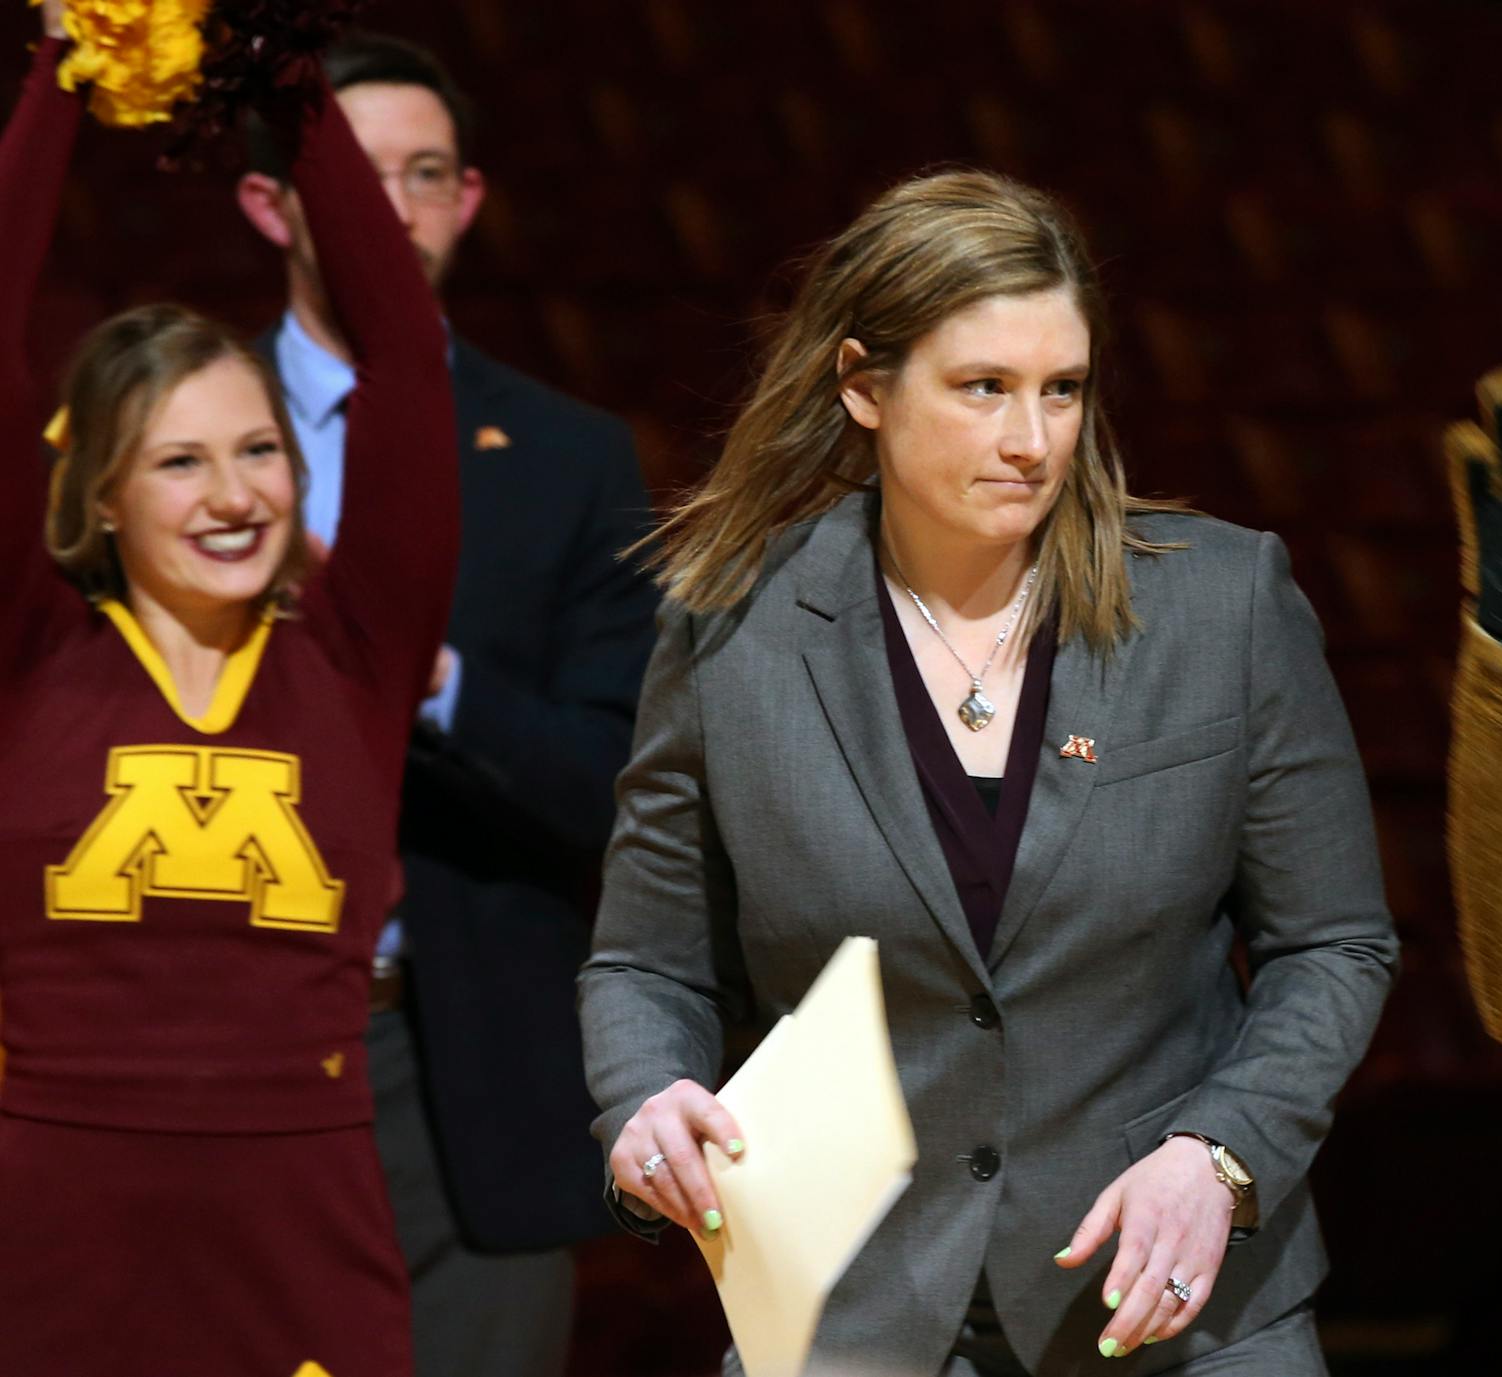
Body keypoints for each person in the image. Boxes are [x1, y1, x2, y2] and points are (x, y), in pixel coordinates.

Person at [579, 166, 1399, 1375]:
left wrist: (1219, 1155)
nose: (1031, 441)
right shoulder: (732, 628)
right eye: (983, 389)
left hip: (1177, 1307)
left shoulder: (1224, 603)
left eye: (1061, 390)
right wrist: (644, 1101)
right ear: (864, 385)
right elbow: (647, 962)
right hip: (848, 1313)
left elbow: (1334, 945)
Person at [0, 6, 454, 1376]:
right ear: (102, 497)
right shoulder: (31, 653)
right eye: (181, 462)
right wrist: (67, 71)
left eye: (258, 448)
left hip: (301, 1230)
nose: (235, 492)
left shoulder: (358, 656)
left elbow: (405, 355)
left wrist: (289, 81)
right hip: (53, 1225)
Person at [233, 32, 658, 1377]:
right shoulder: (169, 438)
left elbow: (625, 787)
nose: (394, 211)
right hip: (212, 1046)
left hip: (461, 1060)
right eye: (357, 178)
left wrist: (436, 680)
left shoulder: (568, 458)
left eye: (425, 177)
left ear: (466, 201)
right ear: (271, 205)